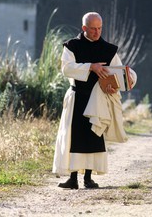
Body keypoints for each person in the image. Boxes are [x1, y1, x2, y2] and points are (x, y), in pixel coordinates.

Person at [52, 12, 137, 189]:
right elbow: (66, 69)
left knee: (94, 135)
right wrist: (91, 67)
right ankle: (73, 178)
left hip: (98, 98)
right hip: (77, 97)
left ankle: (88, 178)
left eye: (99, 28)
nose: (97, 32)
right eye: (93, 29)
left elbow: (121, 71)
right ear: (84, 28)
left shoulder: (108, 49)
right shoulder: (72, 46)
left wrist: (117, 85)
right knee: (74, 136)